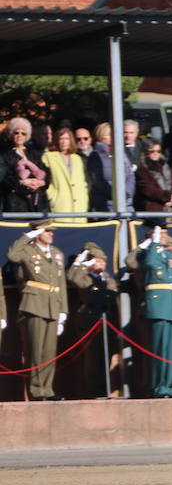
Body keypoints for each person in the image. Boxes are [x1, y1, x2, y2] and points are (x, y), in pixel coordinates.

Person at [7, 219, 67, 401]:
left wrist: (63, 311)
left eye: (52, 232)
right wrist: (27, 237)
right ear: (37, 233)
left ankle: (47, 390)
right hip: (34, 304)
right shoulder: (27, 250)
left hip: (53, 305)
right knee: (35, 350)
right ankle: (37, 390)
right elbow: (12, 256)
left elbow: (61, 283)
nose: (51, 234)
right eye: (47, 231)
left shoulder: (57, 254)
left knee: (49, 351)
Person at [136, 223, 172, 399]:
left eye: (165, 233)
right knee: (159, 349)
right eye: (160, 234)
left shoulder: (169, 256)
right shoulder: (147, 254)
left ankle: (169, 386)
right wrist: (154, 243)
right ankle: (158, 387)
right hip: (159, 306)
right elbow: (149, 263)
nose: (164, 236)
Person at [64, 242, 118, 398]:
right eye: (97, 260)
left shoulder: (107, 278)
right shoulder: (85, 277)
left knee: (105, 359)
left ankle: (104, 390)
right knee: (93, 361)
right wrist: (81, 263)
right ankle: (94, 392)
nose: (101, 263)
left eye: (103, 261)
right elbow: (71, 277)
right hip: (91, 321)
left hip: (107, 320)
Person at [1, 118, 49, 213]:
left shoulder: (35, 153)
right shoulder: (5, 155)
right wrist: (22, 182)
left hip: (37, 203)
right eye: (16, 132)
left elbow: (46, 173)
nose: (20, 136)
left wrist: (40, 182)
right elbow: (4, 177)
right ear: (11, 134)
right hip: (16, 203)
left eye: (23, 133)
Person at [41, 127, 89, 220]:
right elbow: (45, 179)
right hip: (60, 204)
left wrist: (84, 197)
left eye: (66, 139)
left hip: (79, 206)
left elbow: (83, 181)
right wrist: (52, 196)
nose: (64, 142)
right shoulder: (48, 157)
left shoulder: (77, 158)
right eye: (61, 139)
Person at [133, 140, 172, 213]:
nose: (155, 154)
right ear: (146, 152)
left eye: (158, 151)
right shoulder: (142, 169)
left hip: (171, 206)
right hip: (152, 208)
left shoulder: (165, 166)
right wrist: (167, 197)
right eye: (152, 151)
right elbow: (148, 190)